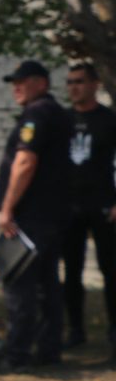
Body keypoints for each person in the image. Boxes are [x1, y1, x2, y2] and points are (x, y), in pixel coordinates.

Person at [0, 60, 73, 369]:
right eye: (14, 81)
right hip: (52, 214)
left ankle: (18, 354)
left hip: (30, 215)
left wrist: (7, 208)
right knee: (47, 286)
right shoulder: (58, 114)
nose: (16, 87)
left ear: (41, 83)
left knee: (20, 284)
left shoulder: (37, 113)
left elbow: (25, 162)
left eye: (22, 81)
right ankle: (48, 351)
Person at [60, 62, 116, 360]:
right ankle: (76, 330)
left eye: (79, 81)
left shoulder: (108, 120)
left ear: (94, 84)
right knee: (72, 273)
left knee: (111, 271)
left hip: (103, 206)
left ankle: (113, 330)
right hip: (70, 207)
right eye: (69, 82)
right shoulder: (62, 120)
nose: (73, 87)